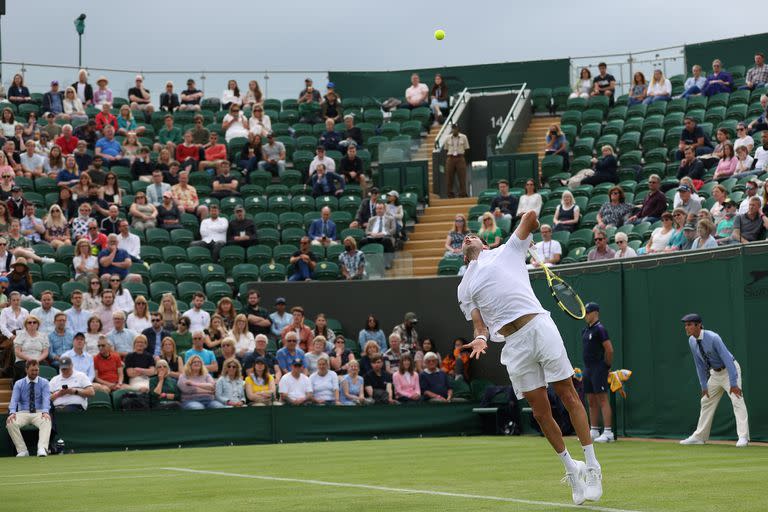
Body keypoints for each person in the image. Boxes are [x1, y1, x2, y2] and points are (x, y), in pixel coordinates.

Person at [459, 210, 602, 505]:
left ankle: (592, 466)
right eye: (463, 238)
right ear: (462, 253)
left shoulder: (506, 250)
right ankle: (571, 470)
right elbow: (479, 324)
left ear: (484, 244)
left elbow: (531, 215)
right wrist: (481, 338)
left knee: (567, 394)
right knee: (540, 412)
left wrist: (530, 227)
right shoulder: (464, 287)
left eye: (472, 234)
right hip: (513, 344)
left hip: (538, 326)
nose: (467, 237)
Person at [679, 314, 749, 447]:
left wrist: (734, 383)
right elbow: (699, 364)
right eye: (685, 325)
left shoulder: (713, 338)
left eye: (689, 325)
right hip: (715, 374)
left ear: (698, 325)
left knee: (737, 399)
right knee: (706, 401)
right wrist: (704, 385)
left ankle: (743, 437)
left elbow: (728, 360)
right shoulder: (692, 341)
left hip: (730, 370)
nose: (686, 328)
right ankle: (699, 437)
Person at [579, 303, 615, 443]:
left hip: (599, 368)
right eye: (585, 313)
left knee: (602, 399)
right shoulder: (585, 331)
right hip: (587, 369)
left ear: (595, 313)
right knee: (591, 400)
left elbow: (609, 350)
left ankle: (608, 433)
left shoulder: (600, 329)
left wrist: (606, 365)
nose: (586, 315)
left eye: (588, 312)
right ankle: (594, 430)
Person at [6, 360, 52, 457]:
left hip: (39, 412)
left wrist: (45, 412)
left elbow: (46, 399)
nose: (35, 372)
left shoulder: (44, 382)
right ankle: (22, 450)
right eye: (32, 370)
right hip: (23, 412)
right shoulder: (18, 383)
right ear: (26, 370)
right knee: (10, 422)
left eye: (36, 370)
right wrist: (12, 412)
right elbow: (14, 400)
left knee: (47, 420)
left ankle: (42, 448)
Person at [445, 124, 470, 198]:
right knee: (449, 177)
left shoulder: (463, 137)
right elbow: (446, 149)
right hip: (450, 158)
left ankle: (462, 193)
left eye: (455, 129)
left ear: (458, 129)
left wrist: (461, 156)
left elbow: (467, 148)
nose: (454, 130)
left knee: (462, 177)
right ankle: (450, 194)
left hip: (460, 157)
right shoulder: (447, 138)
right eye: (453, 129)